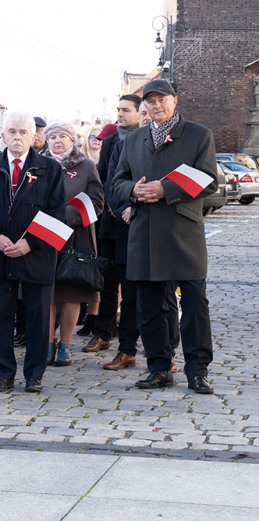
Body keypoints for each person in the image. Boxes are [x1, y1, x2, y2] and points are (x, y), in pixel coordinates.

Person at [111, 79, 218, 394]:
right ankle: (159, 368)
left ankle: (197, 370)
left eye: (162, 100)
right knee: (152, 307)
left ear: (175, 101)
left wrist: (165, 189)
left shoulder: (199, 135)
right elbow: (116, 182)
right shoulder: (134, 140)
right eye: (150, 101)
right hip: (145, 233)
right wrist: (134, 190)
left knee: (195, 304)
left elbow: (210, 180)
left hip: (183, 233)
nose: (156, 106)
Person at [0, 110, 66, 394]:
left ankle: (34, 375)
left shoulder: (50, 169)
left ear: (34, 136)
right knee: (0, 316)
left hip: (37, 254)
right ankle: (4, 374)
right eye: (12, 131)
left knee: (37, 317)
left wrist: (30, 242)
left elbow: (57, 212)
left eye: (23, 132)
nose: (17, 137)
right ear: (4, 134)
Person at [103, 133, 181, 372]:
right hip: (130, 229)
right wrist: (126, 208)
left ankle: (167, 352)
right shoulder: (124, 146)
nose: (147, 116)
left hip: (164, 230)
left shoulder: (175, 144)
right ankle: (126, 350)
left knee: (166, 296)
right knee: (130, 295)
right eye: (144, 112)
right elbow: (113, 183)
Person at [43, 121, 104, 366]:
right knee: (46, 293)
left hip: (75, 236)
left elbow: (97, 203)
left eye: (63, 136)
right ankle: (47, 344)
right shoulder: (37, 164)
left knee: (70, 294)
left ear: (72, 140)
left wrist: (65, 216)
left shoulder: (86, 166)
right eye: (53, 137)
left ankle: (65, 345)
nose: (57, 141)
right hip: (43, 235)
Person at [84, 95, 141, 347]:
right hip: (110, 220)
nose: (120, 114)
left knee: (131, 286)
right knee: (108, 282)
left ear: (140, 113)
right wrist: (115, 206)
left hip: (137, 221)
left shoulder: (147, 139)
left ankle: (130, 338)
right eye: (118, 109)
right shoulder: (110, 142)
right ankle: (104, 333)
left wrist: (132, 207)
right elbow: (104, 177)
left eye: (125, 110)